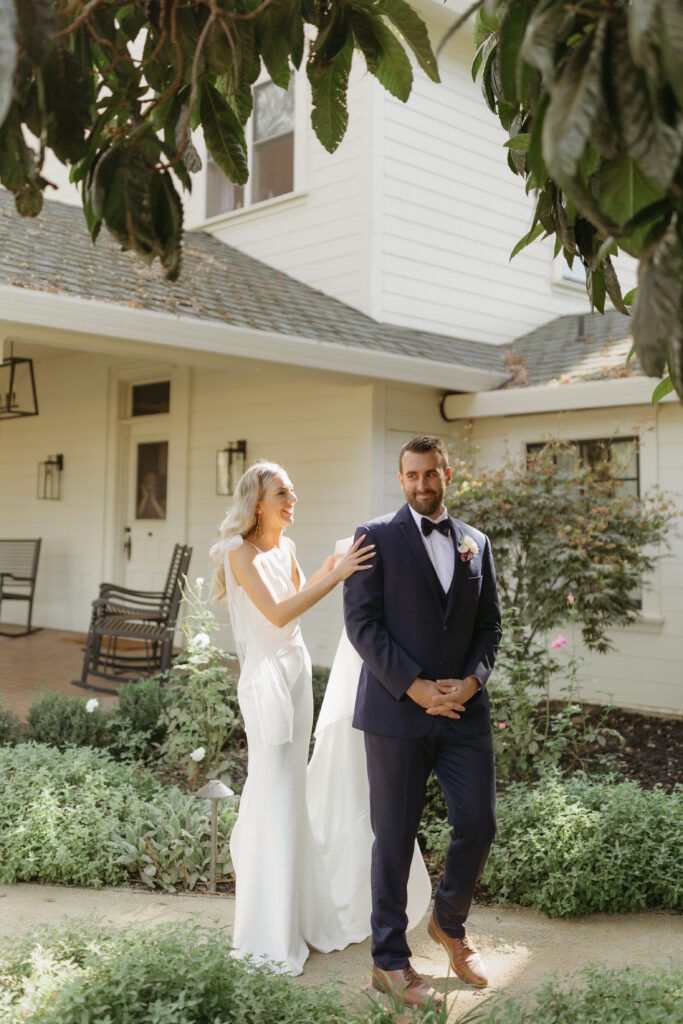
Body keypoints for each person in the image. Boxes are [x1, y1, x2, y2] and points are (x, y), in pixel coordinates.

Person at [210, 460, 432, 976]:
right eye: (282, 492)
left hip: (295, 673)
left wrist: (337, 564)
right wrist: (337, 574)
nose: (292, 500)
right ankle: (267, 926)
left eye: (293, 490)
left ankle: (299, 916)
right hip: (265, 683)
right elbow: (279, 613)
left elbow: (297, 597)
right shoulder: (237, 553)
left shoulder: (285, 548)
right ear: (257, 501)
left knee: (293, 792)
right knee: (273, 788)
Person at [343, 434, 502, 1008]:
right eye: (410, 475)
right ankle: (390, 961)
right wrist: (413, 686)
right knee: (393, 837)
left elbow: (490, 628)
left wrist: (472, 680)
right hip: (395, 714)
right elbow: (362, 624)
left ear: (447, 475)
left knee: (479, 822)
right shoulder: (375, 538)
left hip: (463, 711)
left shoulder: (476, 544)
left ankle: (449, 924)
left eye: (430, 474)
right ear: (400, 477)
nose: (420, 485)